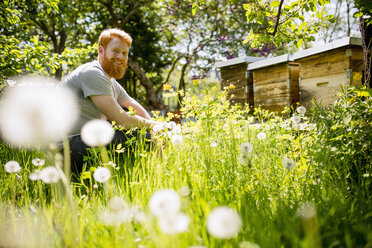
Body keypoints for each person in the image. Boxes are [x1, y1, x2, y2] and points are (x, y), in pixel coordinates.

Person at [58, 28, 156, 173]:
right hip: (66, 148)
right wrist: (156, 127)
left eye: (124, 53)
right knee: (142, 138)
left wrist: (157, 131)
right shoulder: (92, 73)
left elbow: (134, 107)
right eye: (115, 51)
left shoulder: (109, 80)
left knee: (146, 134)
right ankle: (154, 175)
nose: (121, 57)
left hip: (81, 142)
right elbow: (122, 120)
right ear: (101, 50)